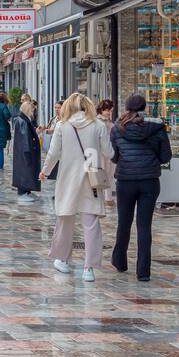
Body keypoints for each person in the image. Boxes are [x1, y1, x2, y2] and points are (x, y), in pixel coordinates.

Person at [40, 93, 113, 282]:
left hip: (68, 178)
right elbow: (109, 152)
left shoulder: (62, 126)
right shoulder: (98, 125)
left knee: (65, 220)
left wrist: (45, 172)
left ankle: (63, 260)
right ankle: (89, 268)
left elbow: (53, 153)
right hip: (91, 178)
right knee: (91, 224)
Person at [109, 93, 172, 282]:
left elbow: (114, 155)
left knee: (124, 222)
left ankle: (120, 261)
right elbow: (166, 156)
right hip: (149, 180)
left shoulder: (117, 128)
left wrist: (125, 160)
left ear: (127, 107)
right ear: (145, 107)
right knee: (144, 226)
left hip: (126, 180)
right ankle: (143, 271)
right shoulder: (157, 128)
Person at [11, 98, 42, 201]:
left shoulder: (23, 120)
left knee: (25, 171)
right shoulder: (23, 121)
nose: (33, 112)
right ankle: (24, 190)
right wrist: (28, 152)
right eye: (32, 110)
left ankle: (26, 189)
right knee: (26, 171)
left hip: (23, 151)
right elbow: (25, 139)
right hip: (26, 152)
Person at [96, 99, 117, 187]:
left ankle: (108, 197)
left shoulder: (109, 121)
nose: (109, 113)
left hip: (109, 151)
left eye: (111, 110)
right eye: (107, 110)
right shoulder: (98, 122)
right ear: (101, 109)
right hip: (101, 152)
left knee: (110, 174)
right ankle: (105, 198)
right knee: (103, 175)